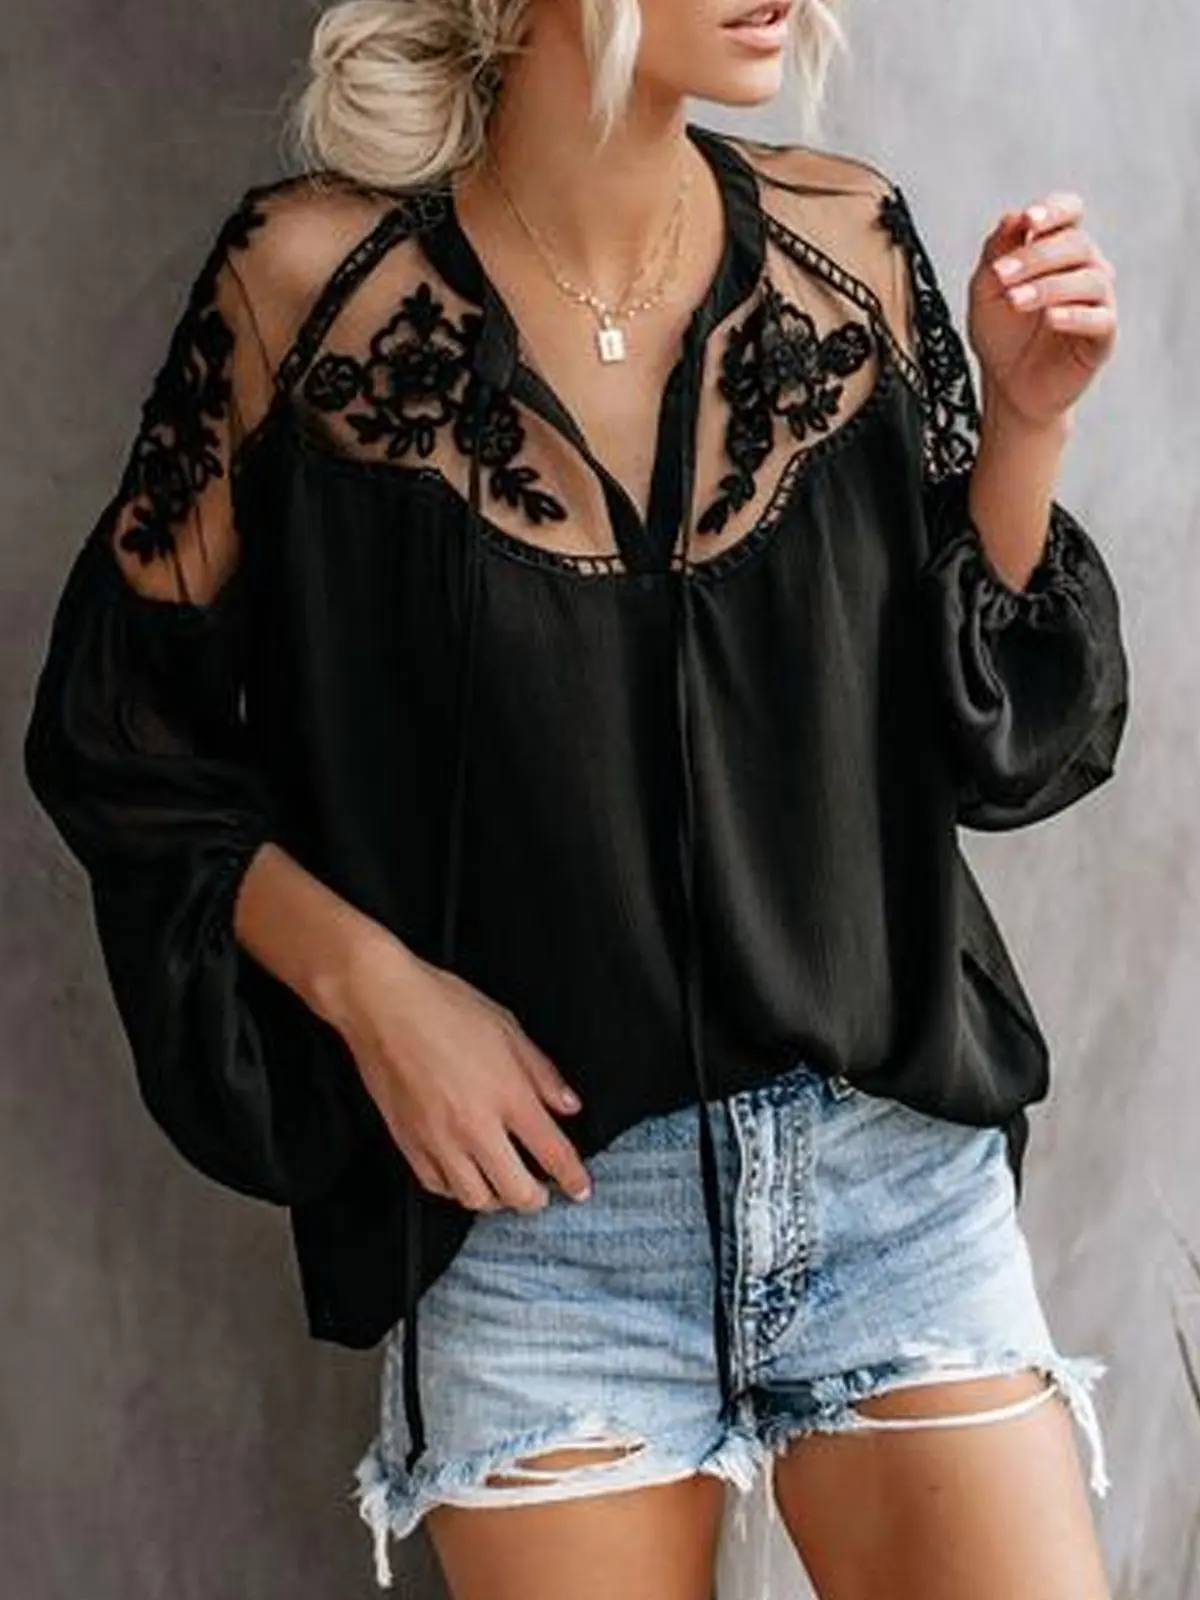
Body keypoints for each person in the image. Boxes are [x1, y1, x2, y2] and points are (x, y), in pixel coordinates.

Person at [23, 1, 1130, 1596]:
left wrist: (1025, 425)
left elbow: (985, 744)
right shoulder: (306, 289)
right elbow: (120, 739)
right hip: (541, 1234)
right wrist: (374, 989)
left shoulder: (845, 248)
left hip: (888, 1186)